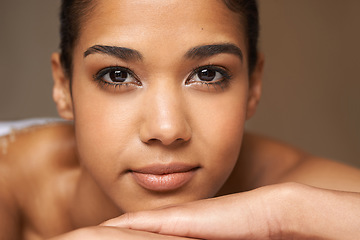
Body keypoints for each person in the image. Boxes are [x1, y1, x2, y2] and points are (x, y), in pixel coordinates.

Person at [0, 0, 359, 239]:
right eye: (117, 75)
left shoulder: (289, 190)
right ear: (63, 86)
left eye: (207, 74)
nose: (166, 130)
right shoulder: (9, 184)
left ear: (253, 85)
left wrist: (282, 217)